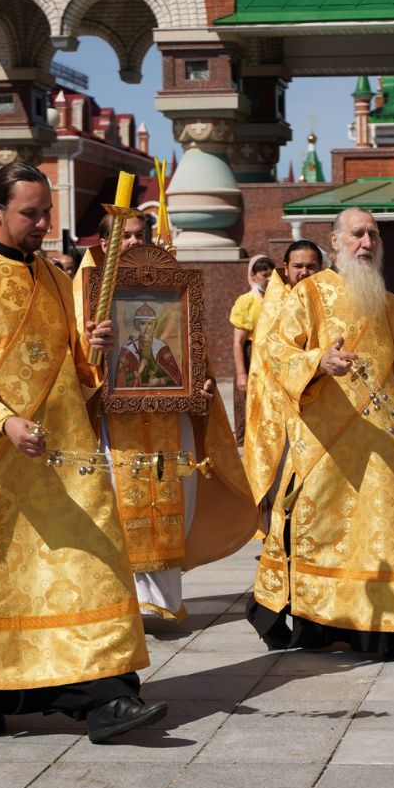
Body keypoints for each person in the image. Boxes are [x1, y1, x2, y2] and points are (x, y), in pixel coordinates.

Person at [0, 162, 167, 742]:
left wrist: (93, 350)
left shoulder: (56, 279)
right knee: (4, 584)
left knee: (93, 568)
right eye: (29, 213)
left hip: (63, 459)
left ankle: (108, 696)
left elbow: (73, 371)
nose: (41, 224)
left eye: (46, 213)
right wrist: (2, 422)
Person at [247, 208, 394, 662]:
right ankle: (320, 625)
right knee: (326, 534)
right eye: (358, 234)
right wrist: (319, 362)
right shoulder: (309, 294)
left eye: (374, 235)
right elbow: (274, 352)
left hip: (388, 444)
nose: (367, 243)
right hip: (328, 442)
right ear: (336, 241)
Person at [71, 208, 256, 623]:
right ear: (105, 244)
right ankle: (124, 600)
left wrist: (202, 385)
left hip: (170, 422)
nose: (135, 243)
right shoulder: (82, 294)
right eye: (125, 237)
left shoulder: (173, 289)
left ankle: (163, 600)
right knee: (120, 505)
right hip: (115, 424)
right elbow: (74, 361)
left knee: (170, 502)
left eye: (140, 236)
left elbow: (193, 357)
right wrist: (92, 351)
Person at [243, 239, 322, 510]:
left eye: (311, 266)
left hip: (318, 398)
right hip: (279, 401)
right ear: (285, 268)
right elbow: (266, 355)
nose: (304, 272)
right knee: (282, 472)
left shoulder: (329, 301)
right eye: (298, 266)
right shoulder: (275, 303)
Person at [229, 255, 275, 446]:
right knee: (247, 402)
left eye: (272, 275)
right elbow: (238, 342)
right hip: (251, 354)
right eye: (265, 275)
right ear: (253, 276)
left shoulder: (279, 299)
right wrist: (242, 373)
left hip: (272, 355)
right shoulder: (246, 301)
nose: (269, 279)